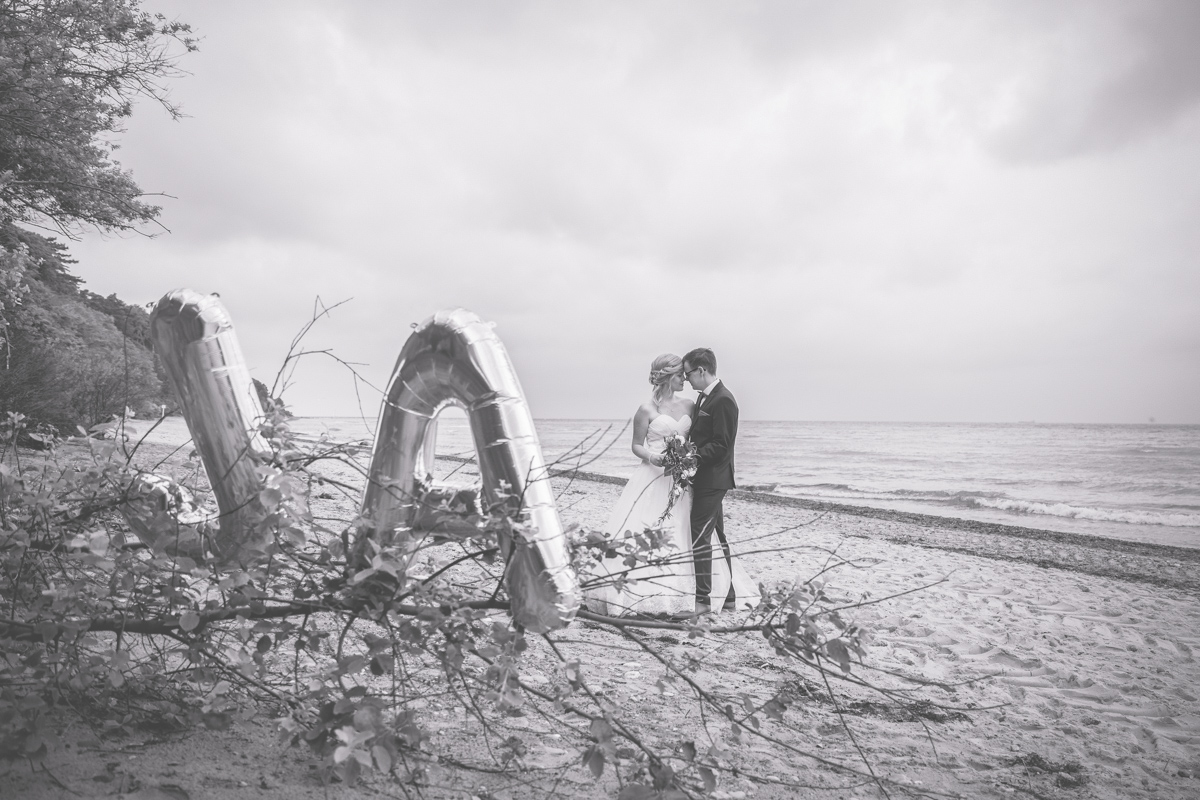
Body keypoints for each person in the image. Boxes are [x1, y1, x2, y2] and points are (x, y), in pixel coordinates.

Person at [584, 354, 697, 618]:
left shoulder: (691, 405)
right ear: (669, 376)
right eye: (681, 375)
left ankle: (680, 593)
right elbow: (636, 445)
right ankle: (636, 592)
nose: (685, 380)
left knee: (678, 527)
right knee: (647, 526)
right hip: (652, 476)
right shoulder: (645, 409)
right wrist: (652, 456)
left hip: (678, 479)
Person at [683, 347, 758, 616]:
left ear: (701, 370)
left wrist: (689, 457)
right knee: (718, 536)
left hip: (714, 479)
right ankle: (728, 596)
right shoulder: (706, 398)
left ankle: (703, 602)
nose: (687, 380)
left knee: (699, 535)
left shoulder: (723, 399)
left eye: (688, 373)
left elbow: (722, 445)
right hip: (705, 477)